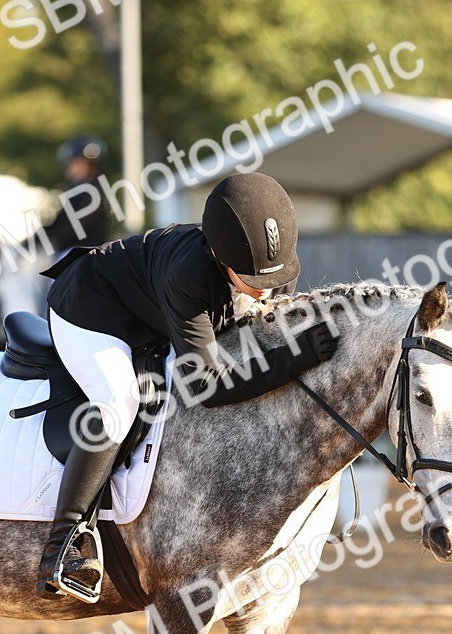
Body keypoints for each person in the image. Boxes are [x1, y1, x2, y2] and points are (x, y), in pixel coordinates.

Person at [37, 172, 338, 601]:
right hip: (91, 309)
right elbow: (207, 385)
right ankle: (63, 543)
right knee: (118, 401)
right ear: (219, 257)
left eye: (270, 281)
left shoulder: (267, 265)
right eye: (252, 283)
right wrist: (293, 356)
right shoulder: (189, 274)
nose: (265, 291)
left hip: (152, 311)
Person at [45, 135, 113, 253]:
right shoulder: (78, 191)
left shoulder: (92, 193)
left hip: (86, 255)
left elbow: (75, 227)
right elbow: (60, 221)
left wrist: (50, 237)